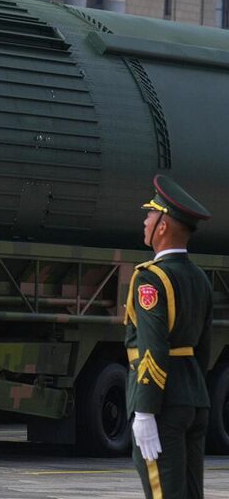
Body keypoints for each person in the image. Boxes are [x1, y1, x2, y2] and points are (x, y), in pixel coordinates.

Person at [128, 174, 213, 499]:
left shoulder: (151, 278)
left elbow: (153, 345)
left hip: (162, 404)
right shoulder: (200, 278)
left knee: (164, 494)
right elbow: (202, 349)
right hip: (194, 398)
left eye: (150, 214)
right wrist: (195, 390)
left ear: (163, 226)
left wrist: (145, 409)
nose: (146, 219)